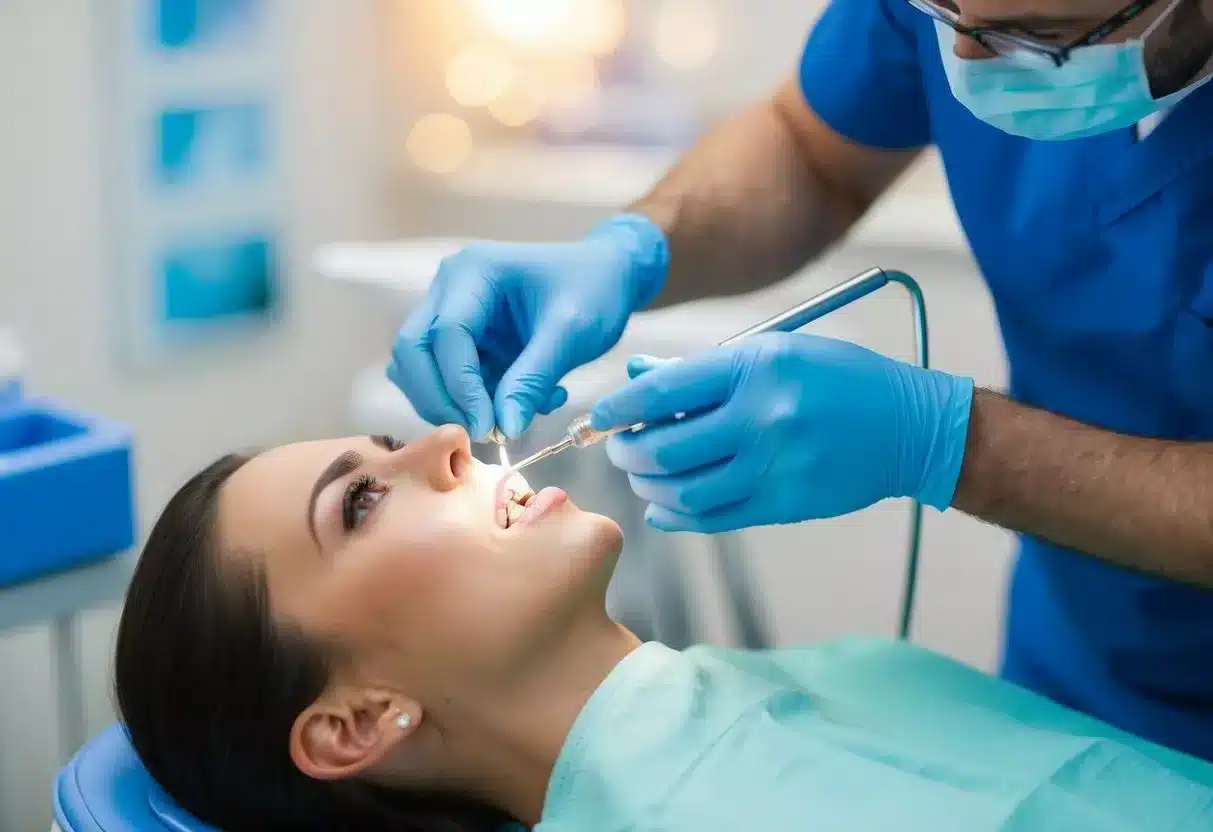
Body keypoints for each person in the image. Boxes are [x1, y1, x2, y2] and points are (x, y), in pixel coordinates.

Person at [388, 0, 1213, 762]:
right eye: (938, 11)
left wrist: (949, 445)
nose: (962, 53)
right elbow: (809, 149)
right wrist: (632, 250)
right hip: (1076, 658)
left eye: (1031, 34)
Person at [114, 425, 1213, 831]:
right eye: (359, 504)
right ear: (355, 722)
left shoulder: (768, 687)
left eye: (388, 442)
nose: (447, 442)